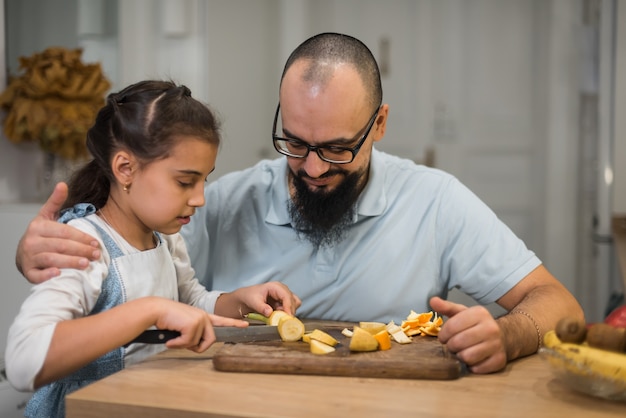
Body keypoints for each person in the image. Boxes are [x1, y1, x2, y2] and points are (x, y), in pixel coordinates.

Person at [14, 33, 583, 375]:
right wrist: (45, 247)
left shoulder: (436, 201)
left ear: (379, 124)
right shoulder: (215, 200)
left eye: (336, 149)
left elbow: (560, 305)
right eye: (295, 142)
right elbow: (128, 251)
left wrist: (508, 335)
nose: (312, 167)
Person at [6, 80, 300, 418]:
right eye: (185, 182)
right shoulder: (83, 245)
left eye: (204, 179)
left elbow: (188, 301)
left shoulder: (166, 235)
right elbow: (23, 361)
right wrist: (149, 310)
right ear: (125, 169)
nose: (200, 198)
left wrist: (239, 300)